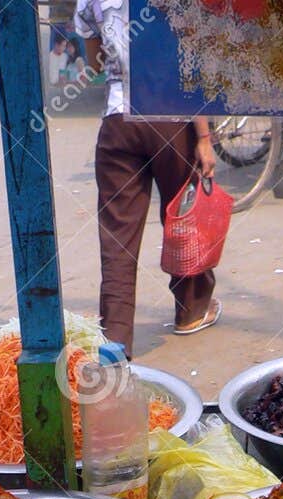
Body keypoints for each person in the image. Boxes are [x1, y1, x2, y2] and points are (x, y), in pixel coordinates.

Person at [74, 0, 221, 354]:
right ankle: (190, 311)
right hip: (169, 119)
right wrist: (203, 136)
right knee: (183, 220)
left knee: (117, 241)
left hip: (118, 124)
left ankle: (115, 342)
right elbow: (190, 63)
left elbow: (95, 64)